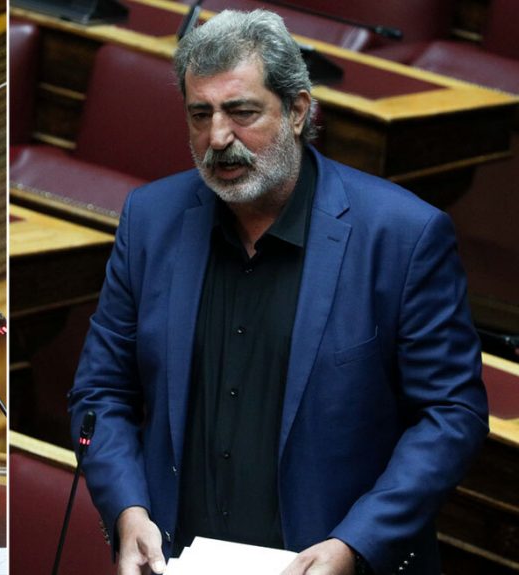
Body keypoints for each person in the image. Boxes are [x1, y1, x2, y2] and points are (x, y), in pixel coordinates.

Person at [67, 9, 488, 575]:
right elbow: (100, 392)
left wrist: (355, 544)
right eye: (200, 115)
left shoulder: (403, 235)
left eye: (241, 112)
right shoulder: (151, 220)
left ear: (296, 111)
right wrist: (128, 510)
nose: (218, 138)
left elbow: (451, 415)